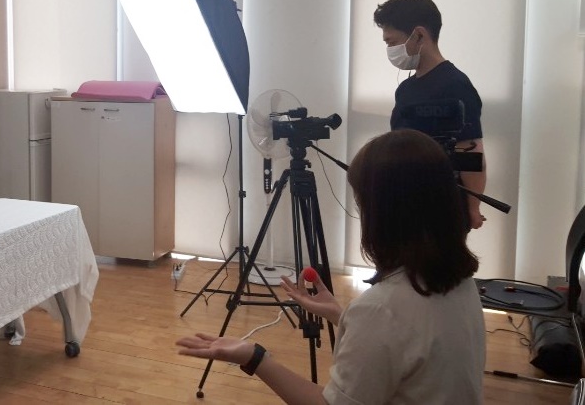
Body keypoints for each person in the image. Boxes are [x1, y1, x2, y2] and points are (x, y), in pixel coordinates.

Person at [176, 129, 485, 404]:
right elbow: (408, 341)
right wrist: (341, 314)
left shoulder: (381, 310)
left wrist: (255, 357)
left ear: (384, 214)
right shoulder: (462, 283)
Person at [373, 0, 487, 229]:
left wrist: (473, 208)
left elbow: (471, 151)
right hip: (405, 199)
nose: (390, 50)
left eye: (392, 42)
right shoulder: (406, 89)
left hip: (441, 204)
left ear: (419, 35)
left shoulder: (455, 85)